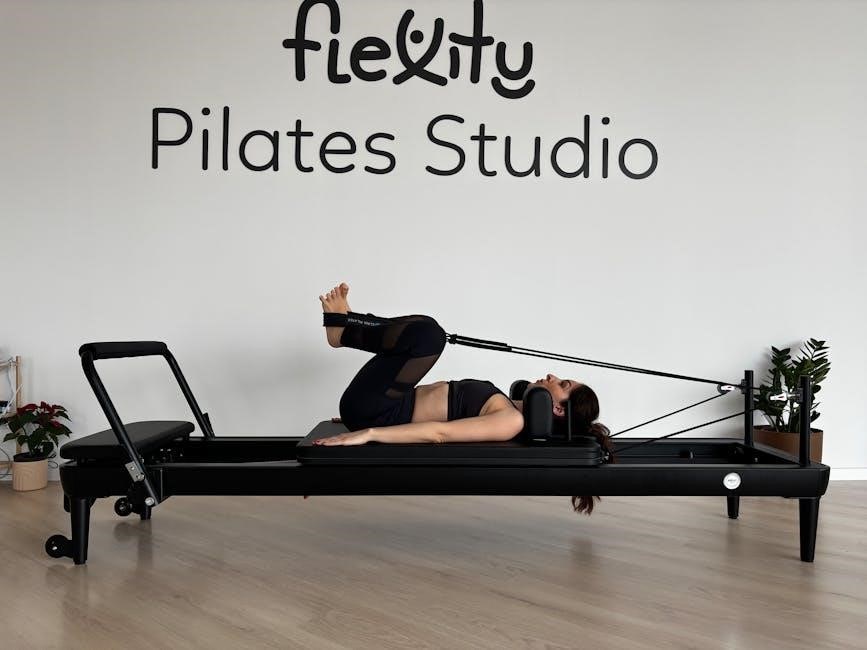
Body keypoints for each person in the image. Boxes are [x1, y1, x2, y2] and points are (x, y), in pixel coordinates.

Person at [315, 283, 614, 513]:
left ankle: (343, 330)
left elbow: (439, 433)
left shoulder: (511, 421)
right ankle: (345, 327)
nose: (551, 375)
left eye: (562, 384)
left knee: (429, 335)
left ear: (559, 410)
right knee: (428, 331)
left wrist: (369, 433)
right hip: (380, 405)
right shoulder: (511, 406)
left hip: (378, 412)